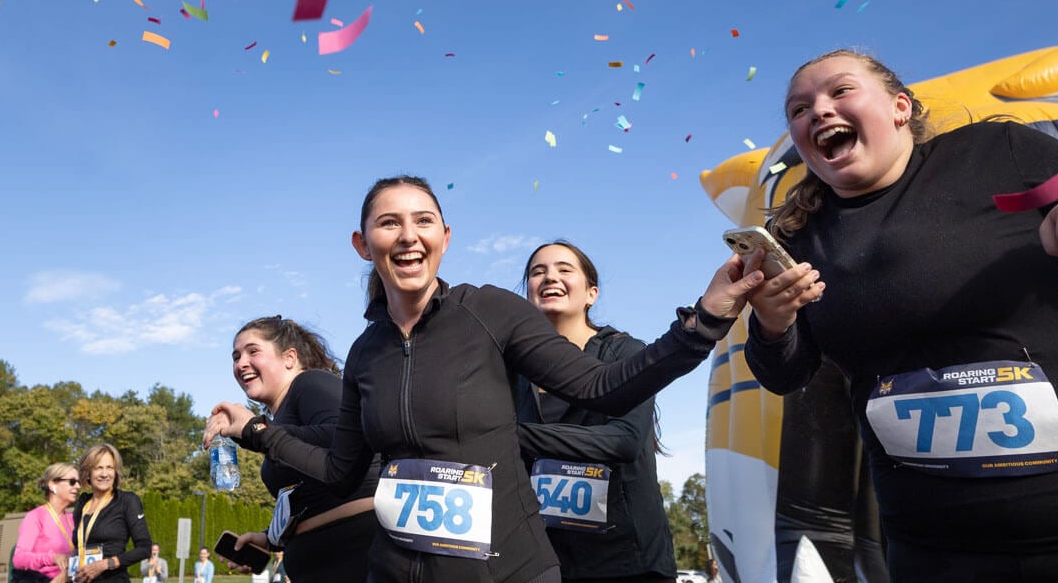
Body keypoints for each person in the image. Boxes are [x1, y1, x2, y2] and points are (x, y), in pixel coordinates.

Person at [204, 174, 765, 583]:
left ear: (445, 237)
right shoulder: (366, 353)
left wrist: (704, 322)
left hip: (508, 569)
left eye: (423, 221)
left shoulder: (490, 312)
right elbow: (337, 466)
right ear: (362, 243)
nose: (407, 236)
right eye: (388, 223)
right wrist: (255, 432)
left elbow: (604, 387)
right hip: (396, 571)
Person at [743, 50, 1058, 581]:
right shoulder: (799, 237)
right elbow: (786, 374)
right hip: (931, 545)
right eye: (799, 109)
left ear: (899, 106)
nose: (818, 111)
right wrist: (772, 325)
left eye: (840, 92)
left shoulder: (998, 154)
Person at [514, 241, 676, 583]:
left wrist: (510, 435)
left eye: (563, 269)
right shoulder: (510, 370)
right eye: (537, 272)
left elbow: (624, 440)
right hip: (546, 560)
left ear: (591, 293)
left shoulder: (626, 353)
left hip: (627, 563)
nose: (549, 277)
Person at [220, 316, 379, 582]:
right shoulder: (280, 417)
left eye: (253, 351)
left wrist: (258, 431)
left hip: (355, 555)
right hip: (316, 565)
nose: (241, 363)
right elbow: (309, 496)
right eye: (235, 357)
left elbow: (347, 436)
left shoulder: (310, 383)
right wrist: (269, 539)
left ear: (290, 358)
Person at [70, 443, 154, 583]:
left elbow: (145, 548)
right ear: (88, 473)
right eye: (98, 468)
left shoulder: (127, 501)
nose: (104, 474)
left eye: (110, 468)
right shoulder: (82, 503)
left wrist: (105, 564)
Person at [12, 463, 80, 583]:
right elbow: (19, 559)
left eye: (78, 482)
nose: (78, 486)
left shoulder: (73, 519)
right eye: (72, 481)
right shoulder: (35, 517)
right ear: (53, 484)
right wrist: (53, 558)